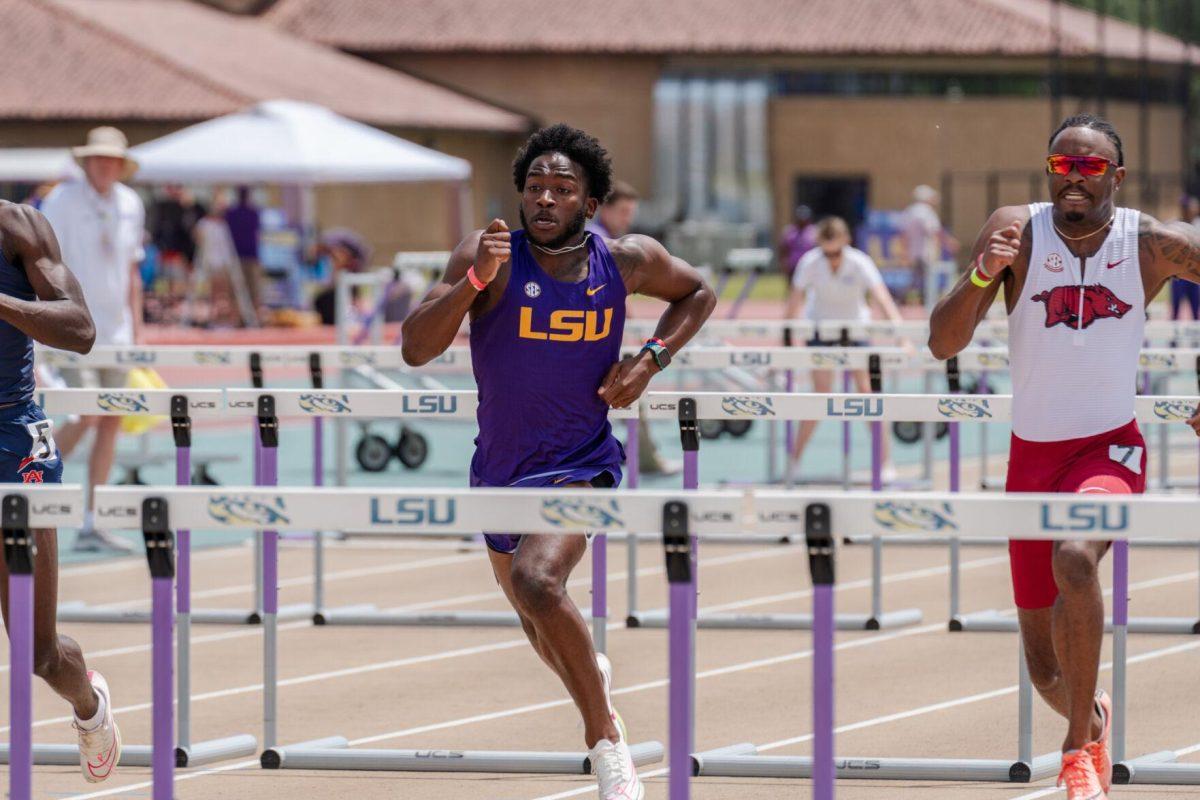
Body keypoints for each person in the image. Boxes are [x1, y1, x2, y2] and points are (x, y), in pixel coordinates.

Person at [402, 123, 715, 800]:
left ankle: (608, 748)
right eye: (535, 186)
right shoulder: (491, 257)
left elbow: (698, 294)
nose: (545, 198)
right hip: (500, 468)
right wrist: (472, 284)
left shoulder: (625, 263)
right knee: (538, 617)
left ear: (590, 205)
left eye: (563, 189)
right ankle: (593, 679)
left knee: (539, 582)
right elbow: (415, 348)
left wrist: (650, 360)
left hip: (582, 461)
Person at [929, 112, 1200, 800]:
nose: (1073, 179)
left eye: (1088, 167)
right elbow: (943, 344)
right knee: (1045, 670)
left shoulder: (1153, 242)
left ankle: (1076, 753)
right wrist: (981, 275)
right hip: (1032, 461)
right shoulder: (1018, 232)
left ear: (1117, 175)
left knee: (1076, 557)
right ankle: (1092, 715)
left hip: (1108, 449)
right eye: (1061, 166)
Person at [0, 199, 123, 783]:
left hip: (10, 439)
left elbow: (80, 330)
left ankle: (89, 707)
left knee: (36, 651)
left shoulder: (17, 226)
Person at [41, 127, 145, 554]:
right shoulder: (62, 201)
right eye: (98, 158)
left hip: (117, 331)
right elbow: (42, 263)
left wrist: (138, 332)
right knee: (82, 414)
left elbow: (133, 271)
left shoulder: (131, 204)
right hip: (72, 328)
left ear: (121, 165)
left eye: (113, 159)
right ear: (86, 162)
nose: (106, 165)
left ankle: (92, 520)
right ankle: (29, 490)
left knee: (112, 420)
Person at [784, 216, 904, 481]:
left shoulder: (860, 262)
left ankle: (886, 461)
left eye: (837, 252)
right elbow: (795, 299)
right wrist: (787, 337)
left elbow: (882, 298)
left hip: (855, 329)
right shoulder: (811, 262)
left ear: (846, 242)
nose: (832, 259)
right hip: (820, 329)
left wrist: (900, 334)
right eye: (827, 253)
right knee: (820, 394)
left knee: (866, 393)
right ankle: (794, 461)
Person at [587, 181, 680, 476]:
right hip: (595, 340)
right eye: (624, 211)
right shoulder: (599, 240)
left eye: (631, 212)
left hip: (600, 336)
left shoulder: (602, 239)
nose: (628, 218)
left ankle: (641, 455)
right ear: (607, 209)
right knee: (628, 393)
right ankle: (644, 458)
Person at [902, 184, 958, 302]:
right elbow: (935, 230)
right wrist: (948, 243)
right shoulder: (926, 211)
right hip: (925, 252)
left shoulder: (909, 212)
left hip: (913, 252)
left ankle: (905, 300)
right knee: (928, 280)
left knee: (915, 279)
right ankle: (927, 304)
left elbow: (904, 234)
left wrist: (905, 252)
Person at [1169, 195, 1200, 320]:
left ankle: (1196, 337)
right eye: (1184, 207)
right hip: (1178, 274)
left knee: (1195, 307)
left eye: (1189, 207)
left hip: (1195, 271)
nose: (1187, 210)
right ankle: (1173, 337)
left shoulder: (1198, 225)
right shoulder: (1174, 225)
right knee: (1175, 306)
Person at [777, 204, 817, 283]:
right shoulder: (790, 230)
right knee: (793, 288)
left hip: (810, 266)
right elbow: (783, 248)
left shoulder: (814, 231)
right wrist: (783, 263)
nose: (802, 220)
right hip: (793, 266)